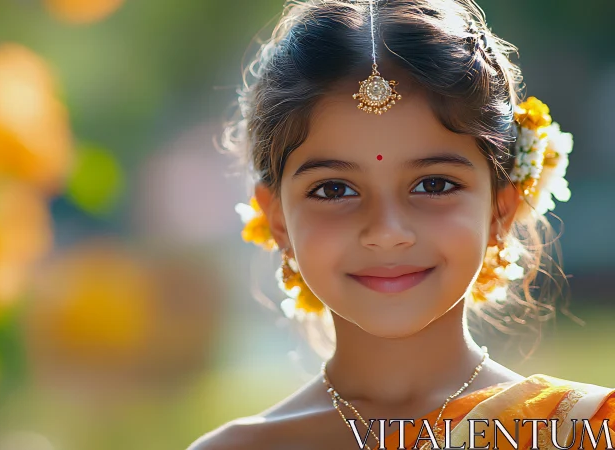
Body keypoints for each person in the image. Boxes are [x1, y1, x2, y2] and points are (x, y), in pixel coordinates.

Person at [187, 0, 614, 449]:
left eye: (432, 184)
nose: (387, 231)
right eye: (335, 190)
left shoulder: (578, 429)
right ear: (277, 220)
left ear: (500, 208)